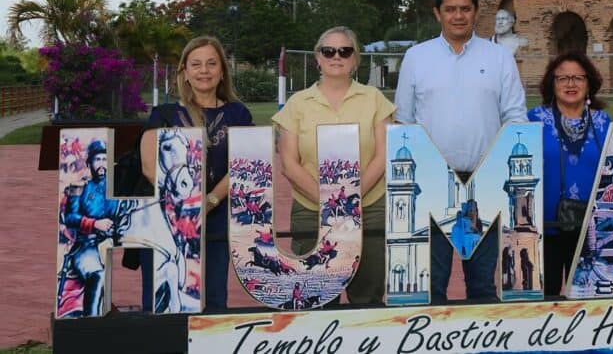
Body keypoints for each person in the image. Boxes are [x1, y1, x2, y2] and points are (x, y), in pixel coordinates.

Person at [395, 0, 528, 303]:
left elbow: (515, 117)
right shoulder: (416, 57)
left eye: (465, 9)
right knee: (431, 285)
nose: (458, 16)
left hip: (484, 184)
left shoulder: (499, 58)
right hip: (432, 185)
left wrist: (498, 169)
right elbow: (404, 122)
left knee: (482, 285)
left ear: (476, 12)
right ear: (437, 13)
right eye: (450, 9)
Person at [274, 25, 395, 305]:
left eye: (345, 51)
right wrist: (329, 203)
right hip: (310, 209)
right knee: (316, 297)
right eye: (328, 51)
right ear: (317, 57)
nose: (336, 56)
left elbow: (382, 153)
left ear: (355, 59)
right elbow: (289, 163)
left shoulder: (375, 99)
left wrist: (350, 202)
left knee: (367, 297)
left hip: (369, 207)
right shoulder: (298, 104)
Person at [140, 36, 253, 310]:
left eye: (212, 63)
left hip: (216, 214)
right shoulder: (164, 114)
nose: (204, 70)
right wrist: (186, 204)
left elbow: (244, 162)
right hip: (168, 214)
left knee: (213, 295)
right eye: (196, 64)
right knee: (164, 295)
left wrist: (211, 200)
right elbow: (148, 166)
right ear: (185, 73)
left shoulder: (238, 114)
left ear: (222, 71)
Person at [528, 50, 611, 296]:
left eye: (578, 78)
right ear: (551, 84)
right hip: (547, 225)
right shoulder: (533, 120)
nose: (570, 84)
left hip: (593, 228)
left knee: (593, 300)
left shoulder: (604, 122)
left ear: (589, 83)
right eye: (562, 78)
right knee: (546, 299)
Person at [60, 140, 120, 316]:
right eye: (97, 159)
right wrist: (94, 224)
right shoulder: (81, 188)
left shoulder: (118, 187)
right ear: (89, 163)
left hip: (111, 241)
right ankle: (91, 319)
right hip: (86, 246)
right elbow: (70, 217)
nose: (101, 164)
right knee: (98, 275)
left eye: (104, 159)